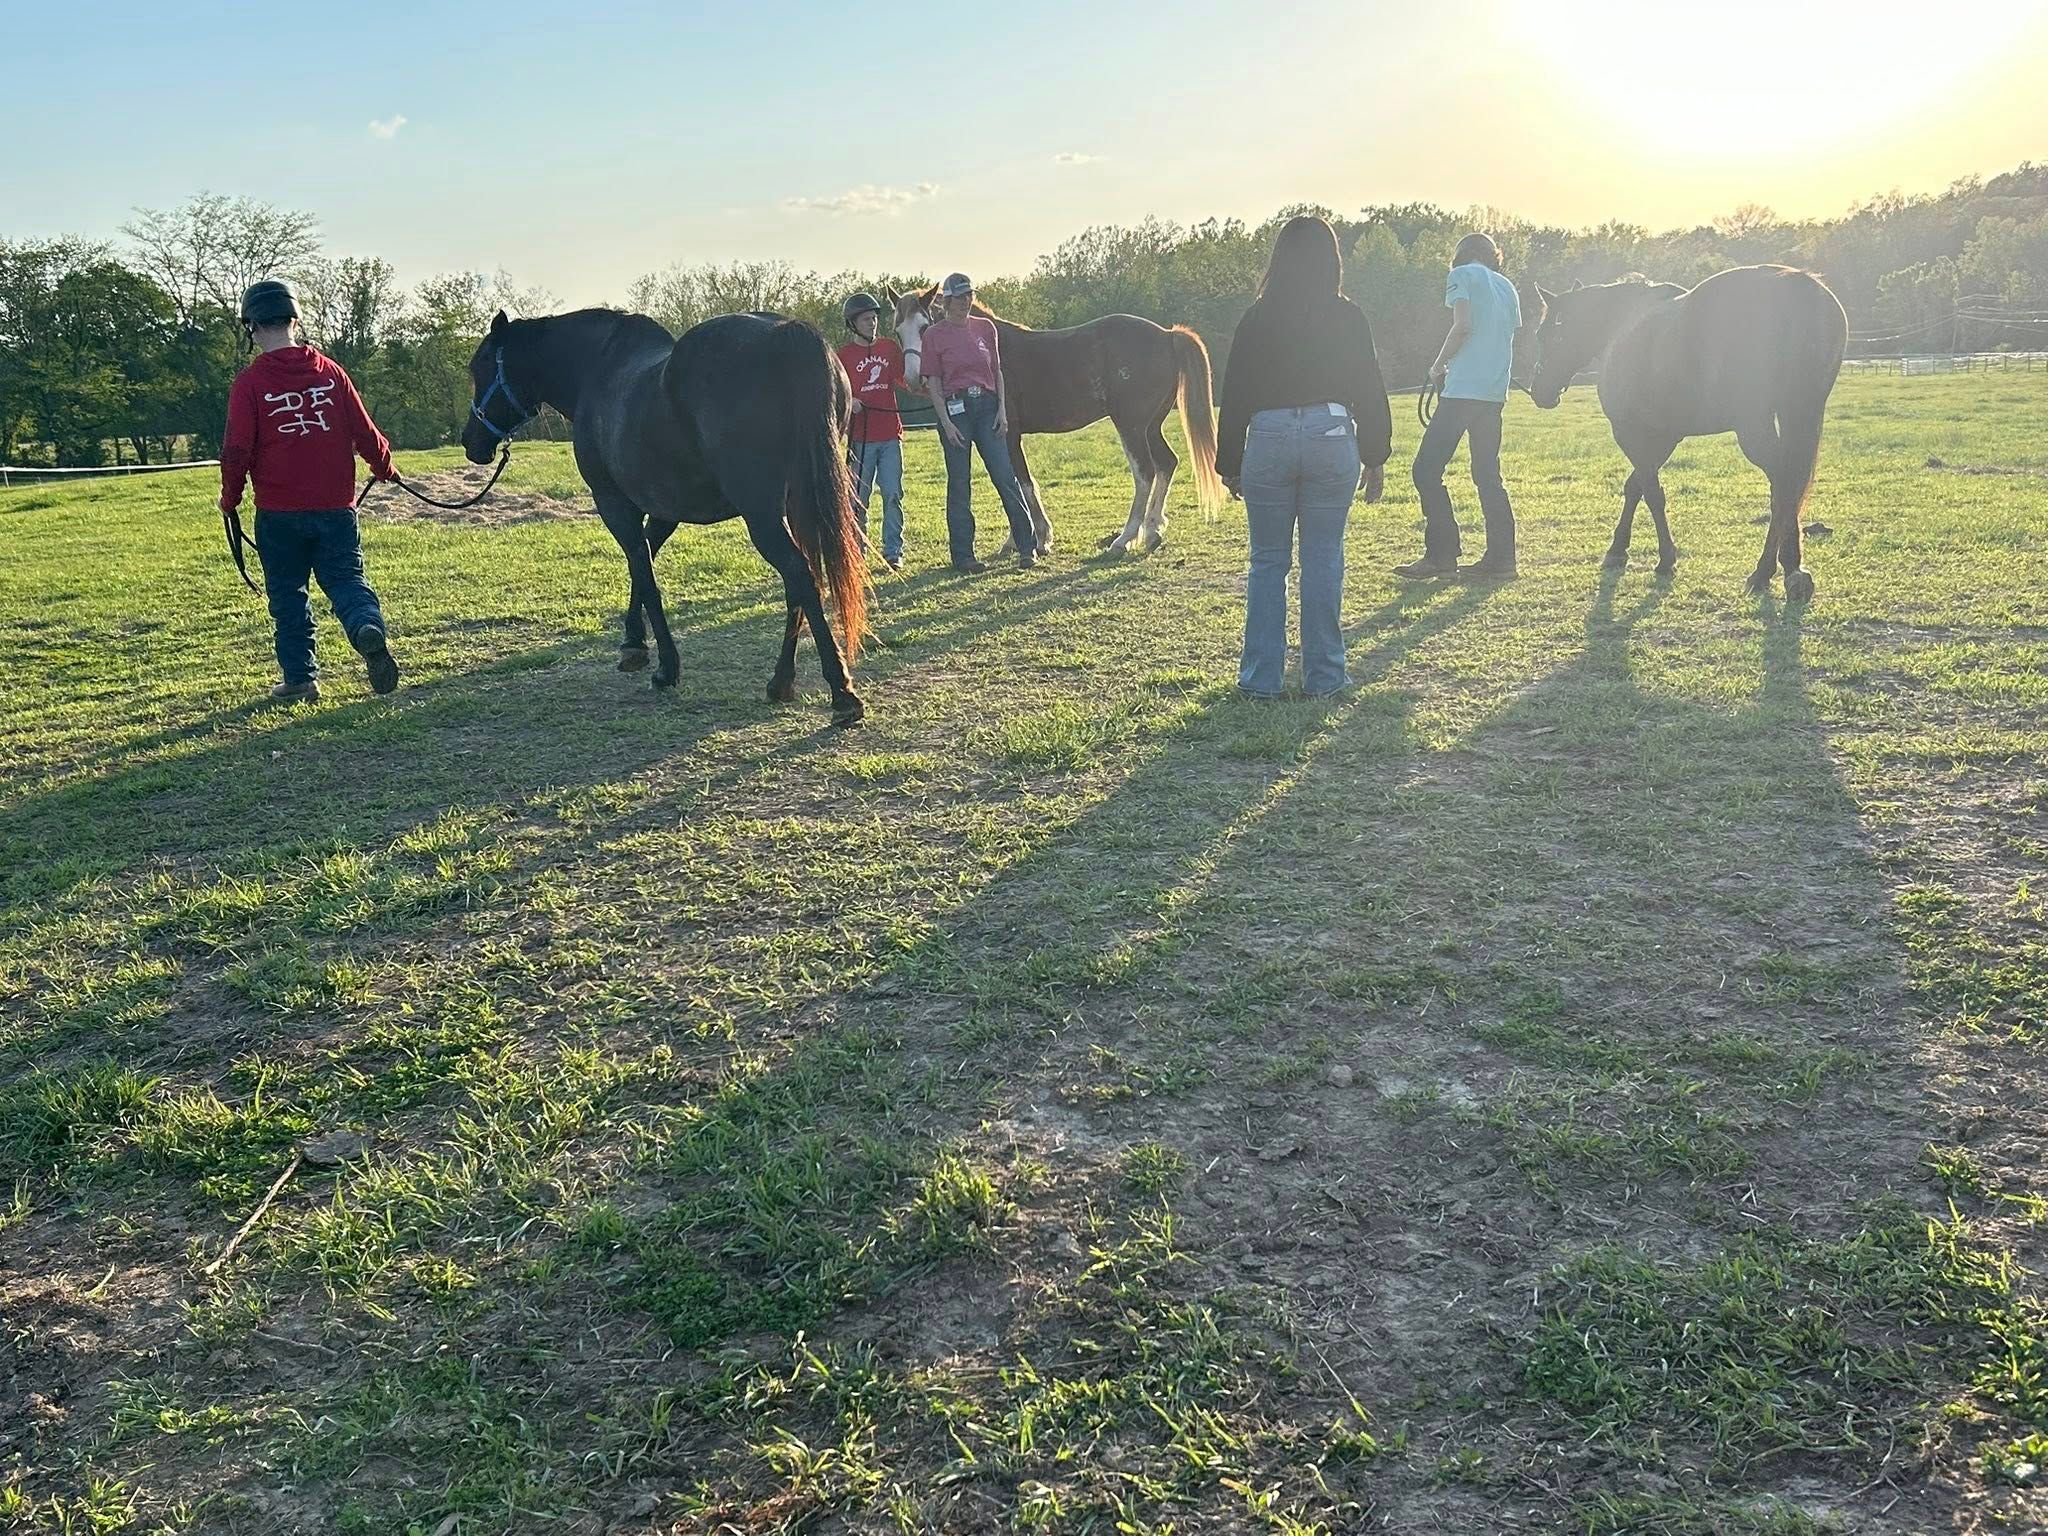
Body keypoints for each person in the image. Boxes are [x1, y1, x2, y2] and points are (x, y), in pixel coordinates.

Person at [1216, 215, 1392, 699]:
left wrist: (1229, 460)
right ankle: (1325, 678)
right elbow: (1369, 386)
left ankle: (1260, 680)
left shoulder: (1256, 317)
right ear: (1331, 260)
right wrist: (1375, 454)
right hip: (1332, 432)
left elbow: (1234, 392)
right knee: (1323, 558)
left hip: (1268, 433)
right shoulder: (1348, 316)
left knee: (1268, 561)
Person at [220, 278, 402, 704]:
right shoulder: (331, 372)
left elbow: (236, 450)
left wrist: (230, 499)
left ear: (252, 327)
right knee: (346, 580)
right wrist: (384, 467)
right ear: (295, 320)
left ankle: (300, 680)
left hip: (279, 514)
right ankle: (365, 627)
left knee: (288, 595)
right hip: (336, 508)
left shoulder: (249, 383)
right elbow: (365, 432)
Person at [1398, 232, 1522, 580]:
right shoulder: (1507, 286)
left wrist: (1438, 366)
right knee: (1487, 475)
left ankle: (1442, 554)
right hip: (1494, 393)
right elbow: (1504, 335)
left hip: (1462, 389)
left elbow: (1463, 327)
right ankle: (1502, 559)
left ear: (1461, 254)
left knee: (1426, 469)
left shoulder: (1460, 276)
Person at [918, 273, 1038, 573]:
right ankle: (963, 556)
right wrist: (945, 422)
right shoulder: (934, 335)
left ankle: (1028, 546)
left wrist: (1002, 411)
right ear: (946, 301)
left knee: (1004, 475)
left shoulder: (986, 329)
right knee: (959, 484)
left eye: (968, 296)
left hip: (987, 406)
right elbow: (933, 382)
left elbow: (996, 372)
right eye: (959, 298)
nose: (965, 302)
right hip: (955, 409)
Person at [836, 292, 909, 571]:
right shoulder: (842, 357)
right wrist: (849, 401)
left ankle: (893, 551)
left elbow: (906, 380)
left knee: (892, 494)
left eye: (875, 318)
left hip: (890, 435)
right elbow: (835, 393)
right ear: (853, 324)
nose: (873, 323)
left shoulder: (890, 349)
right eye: (866, 319)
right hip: (860, 439)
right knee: (858, 501)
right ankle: (857, 553)